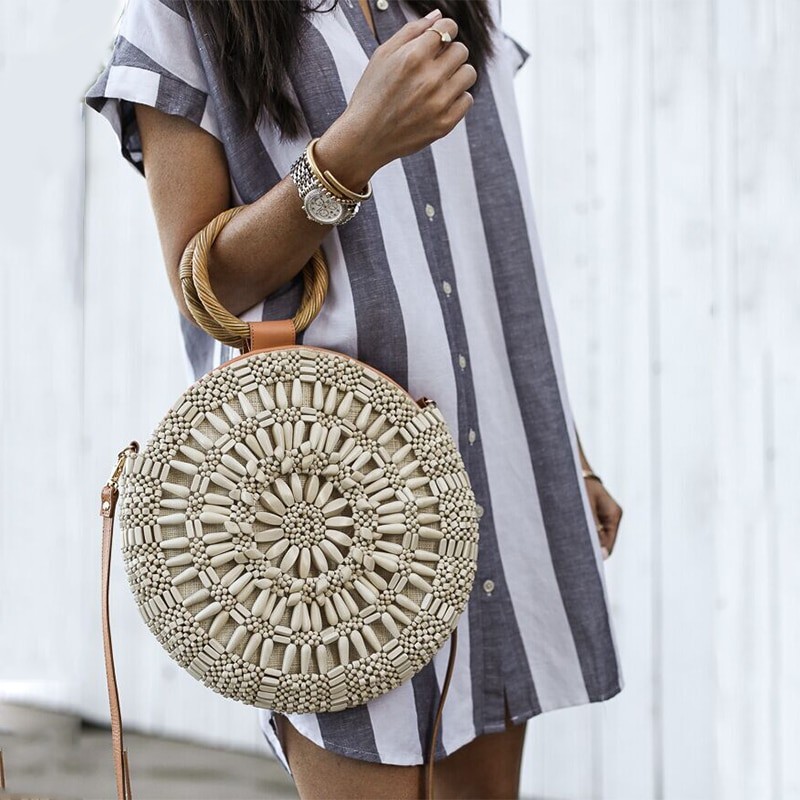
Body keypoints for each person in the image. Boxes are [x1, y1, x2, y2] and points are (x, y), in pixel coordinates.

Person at [85, 1, 625, 797]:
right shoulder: (183, 15)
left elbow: (489, 242)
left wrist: (568, 452)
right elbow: (207, 288)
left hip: (494, 473)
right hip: (333, 507)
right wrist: (349, 153)